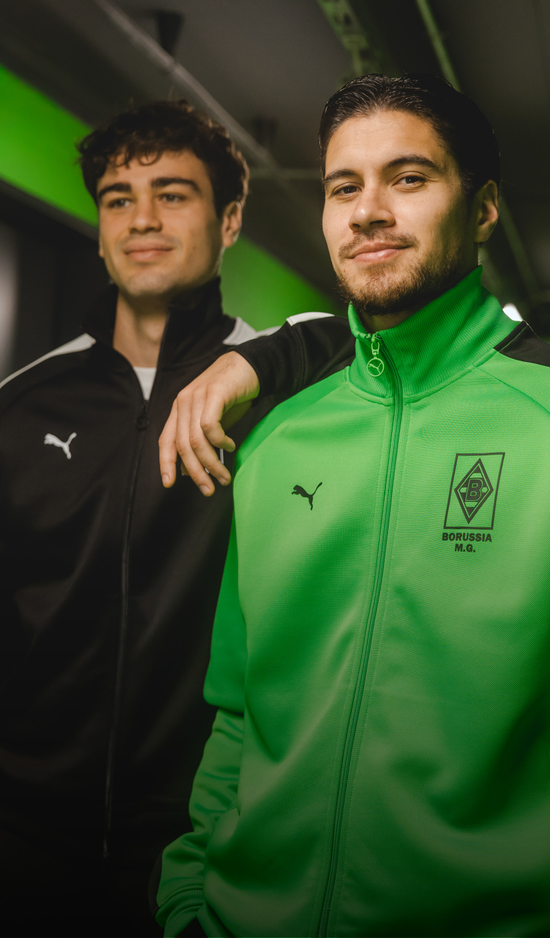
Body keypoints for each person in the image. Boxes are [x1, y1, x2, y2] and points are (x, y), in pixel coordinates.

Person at [155, 74, 550, 938]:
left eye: (408, 178)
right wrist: (191, 894)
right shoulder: (278, 437)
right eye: (343, 187)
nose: (367, 211)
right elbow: (240, 709)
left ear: (482, 209)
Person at [0, 99, 352, 938]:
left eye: (173, 194)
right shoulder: (22, 404)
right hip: (24, 836)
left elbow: (373, 335)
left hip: (204, 834)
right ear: (97, 229)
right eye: (119, 199)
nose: (142, 219)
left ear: (231, 220)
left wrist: (254, 361)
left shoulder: (284, 398)